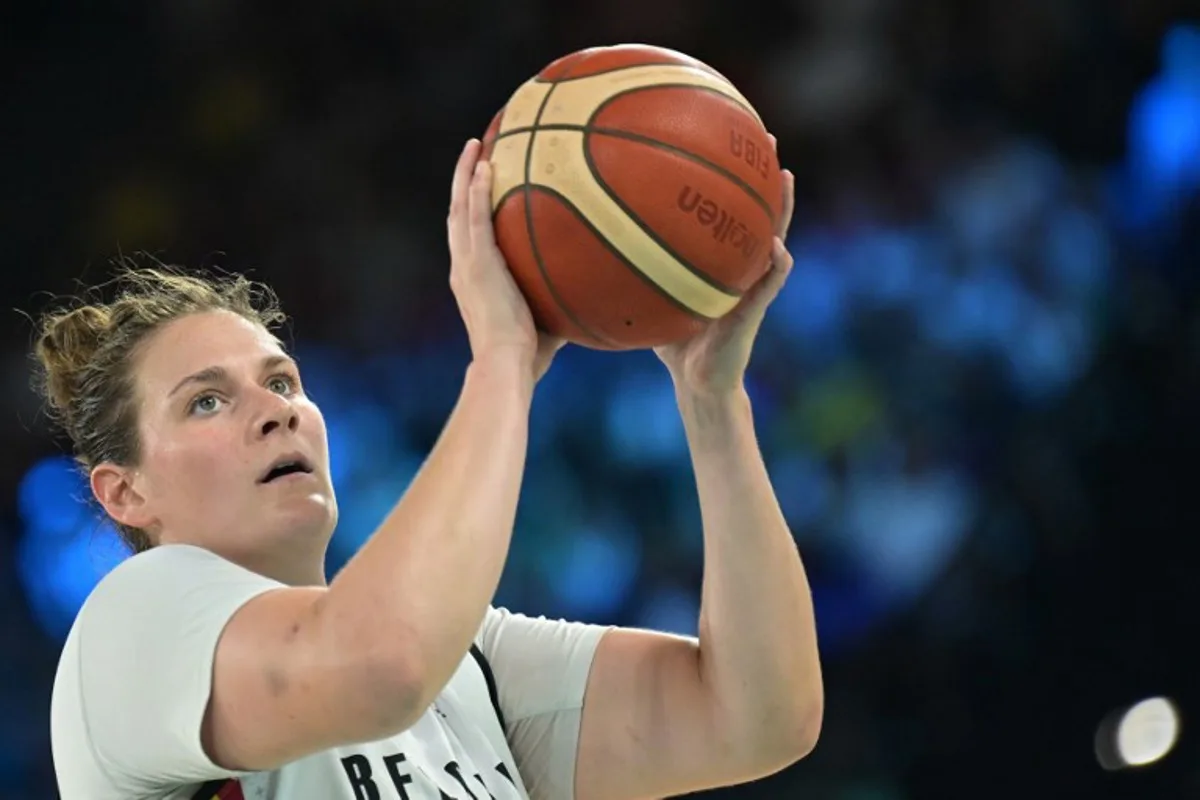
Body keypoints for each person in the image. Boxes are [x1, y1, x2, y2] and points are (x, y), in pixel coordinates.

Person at [39, 138, 823, 800]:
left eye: (281, 382)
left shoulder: (467, 659)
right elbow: (382, 664)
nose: (276, 410)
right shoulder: (132, 621)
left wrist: (712, 402)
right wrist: (504, 362)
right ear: (125, 491)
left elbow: (757, 717)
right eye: (206, 402)